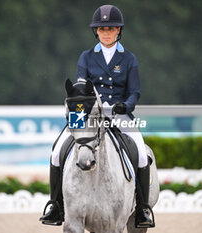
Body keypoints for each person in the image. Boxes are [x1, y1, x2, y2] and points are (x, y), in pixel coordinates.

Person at [40, 5, 154, 228]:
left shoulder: (129, 58)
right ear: (96, 32)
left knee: (141, 153)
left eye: (111, 29)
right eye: (102, 29)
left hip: (119, 114)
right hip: (88, 114)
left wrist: (125, 105)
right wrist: (79, 98)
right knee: (56, 152)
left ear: (119, 30)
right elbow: (81, 83)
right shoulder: (86, 57)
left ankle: (141, 208)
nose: (106, 33)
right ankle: (56, 205)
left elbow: (135, 92)